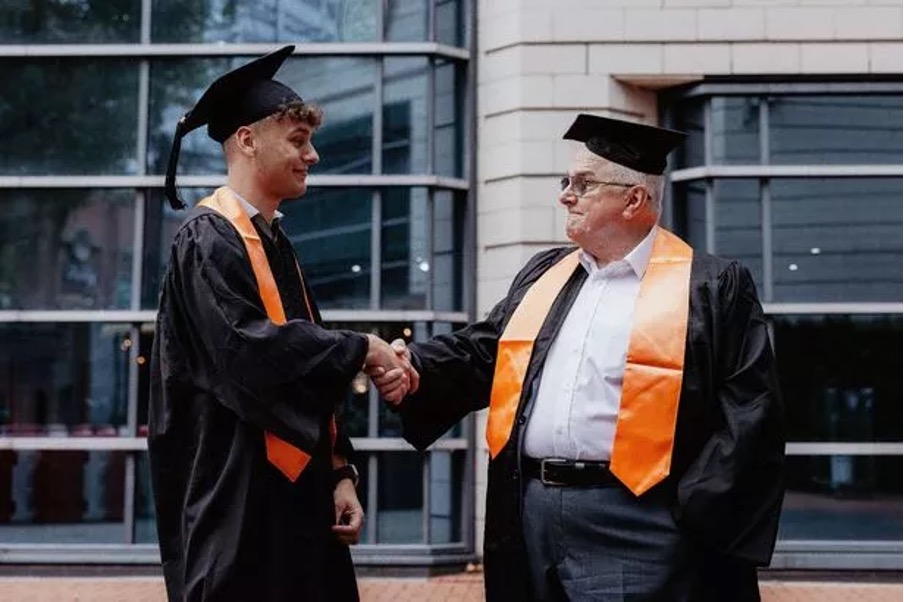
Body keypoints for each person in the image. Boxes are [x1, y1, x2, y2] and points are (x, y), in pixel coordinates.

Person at [377, 114, 786, 601]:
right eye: (566, 181)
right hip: (532, 510)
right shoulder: (547, 274)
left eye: (583, 183)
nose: (565, 195)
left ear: (634, 200)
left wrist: (687, 513)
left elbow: (750, 413)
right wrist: (413, 367)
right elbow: (486, 348)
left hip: (640, 519)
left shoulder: (710, 286)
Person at [148, 45, 415, 602]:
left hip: (298, 505)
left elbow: (306, 370)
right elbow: (251, 356)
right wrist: (361, 347)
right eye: (298, 141)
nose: (313, 155)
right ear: (247, 140)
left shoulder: (276, 244)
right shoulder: (207, 240)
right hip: (236, 502)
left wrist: (339, 471)